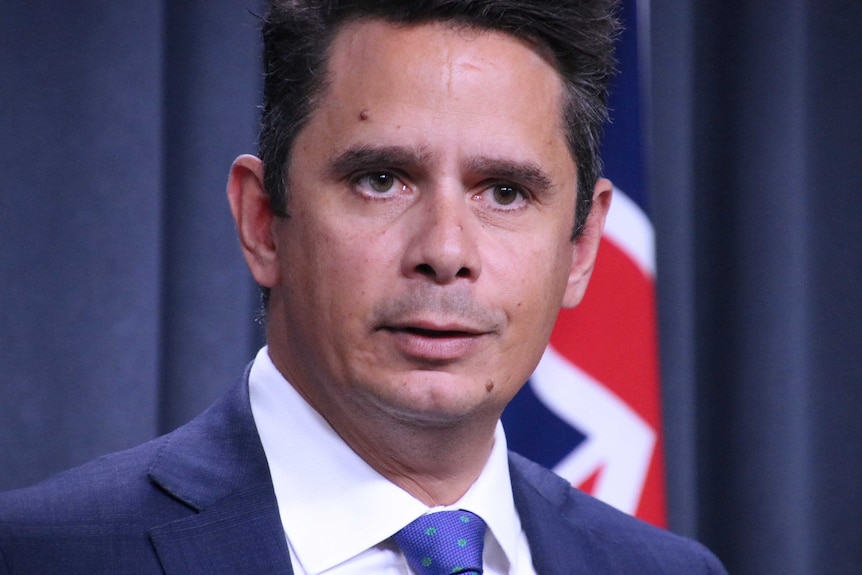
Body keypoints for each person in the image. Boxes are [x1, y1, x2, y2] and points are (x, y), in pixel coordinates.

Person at [0, 1, 727, 573]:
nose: (445, 251)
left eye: (504, 192)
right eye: (382, 180)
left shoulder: (668, 568)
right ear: (262, 222)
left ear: (581, 247)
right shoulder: (40, 554)